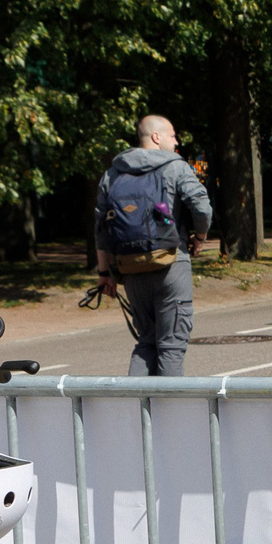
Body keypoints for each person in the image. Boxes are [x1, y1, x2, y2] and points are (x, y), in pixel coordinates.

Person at [93, 115, 213, 376]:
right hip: (171, 263)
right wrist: (200, 238)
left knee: (146, 343)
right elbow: (202, 207)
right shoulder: (175, 167)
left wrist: (105, 274)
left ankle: (136, 413)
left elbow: (101, 228)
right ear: (156, 137)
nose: (176, 140)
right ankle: (171, 415)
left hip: (131, 268)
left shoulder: (113, 173)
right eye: (172, 135)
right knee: (171, 346)